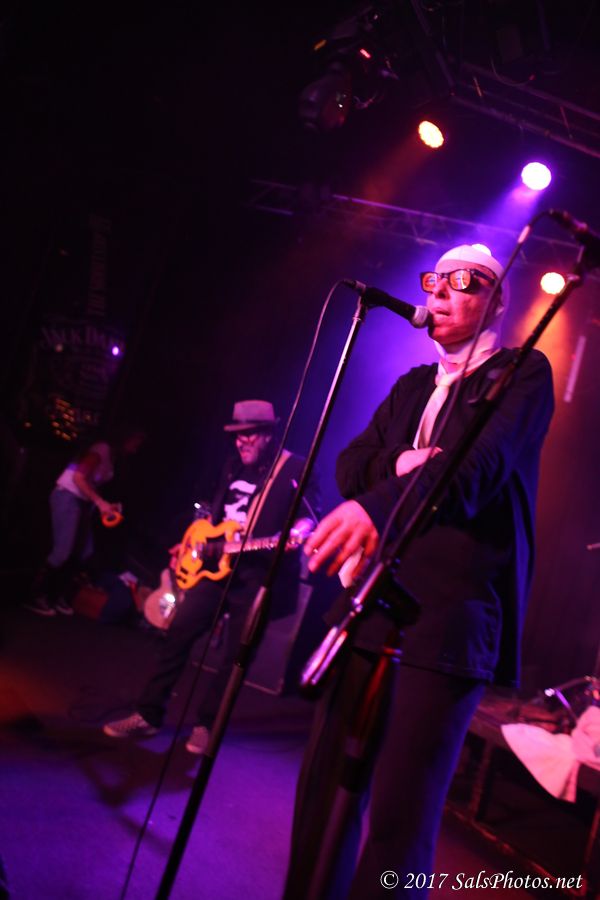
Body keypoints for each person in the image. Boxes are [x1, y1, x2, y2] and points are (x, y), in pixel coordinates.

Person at [282, 245, 555, 898]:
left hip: (450, 617)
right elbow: (350, 465)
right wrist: (403, 462)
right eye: (435, 281)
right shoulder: (412, 386)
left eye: (466, 282)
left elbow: (472, 472)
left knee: (400, 820)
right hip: (371, 602)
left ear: (498, 300)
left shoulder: (521, 373)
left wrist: (378, 502)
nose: (441, 293)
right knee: (323, 796)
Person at [103, 399, 320, 754]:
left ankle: (206, 725)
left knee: (236, 657)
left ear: (269, 433)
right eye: (237, 435)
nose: (241, 441)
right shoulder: (232, 466)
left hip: (256, 576)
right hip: (213, 568)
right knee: (178, 632)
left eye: (249, 435)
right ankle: (148, 714)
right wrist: (192, 542)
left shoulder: (293, 468)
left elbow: (310, 512)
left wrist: (300, 529)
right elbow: (212, 515)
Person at [24, 425, 146, 617]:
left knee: (85, 551)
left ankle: (56, 594)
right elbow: (78, 477)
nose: (136, 447)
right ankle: (35, 595)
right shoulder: (102, 449)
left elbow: (91, 484)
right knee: (63, 551)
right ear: (126, 437)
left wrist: (106, 504)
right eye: (136, 441)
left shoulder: (113, 456)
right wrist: (99, 502)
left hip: (81, 503)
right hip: (67, 496)